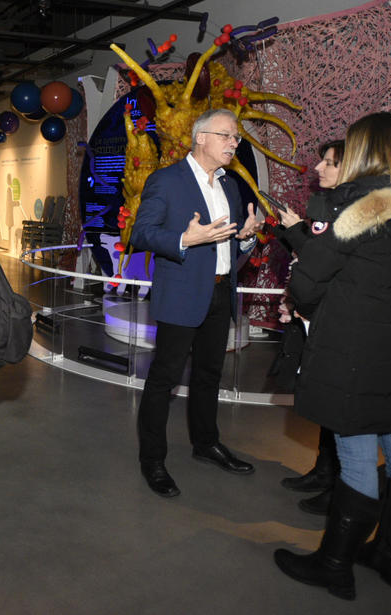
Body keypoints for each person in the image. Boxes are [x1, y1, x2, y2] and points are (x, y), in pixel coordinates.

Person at [274, 111, 391, 600]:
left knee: (355, 455)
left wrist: (312, 301)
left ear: (363, 151)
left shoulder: (355, 205)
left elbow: (309, 279)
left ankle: (334, 565)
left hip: (353, 347)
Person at [129, 108, 261, 498]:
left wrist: (248, 237)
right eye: (226, 135)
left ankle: (206, 443)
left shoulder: (231, 186)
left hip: (221, 292)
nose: (233, 143)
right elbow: (142, 233)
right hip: (183, 293)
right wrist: (185, 240)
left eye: (236, 138)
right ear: (200, 137)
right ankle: (152, 459)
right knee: (164, 380)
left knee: (209, 374)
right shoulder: (166, 180)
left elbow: (231, 240)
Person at [272, 140, 345, 517]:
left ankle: (339, 484)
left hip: (336, 319)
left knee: (339, 408)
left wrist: (297, 230)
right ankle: (323, 471)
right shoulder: (329, 207)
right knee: (323, 401)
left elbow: (321, 263)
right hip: (317, 316)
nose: (319, 167)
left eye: (329, 163)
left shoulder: (351, 212)